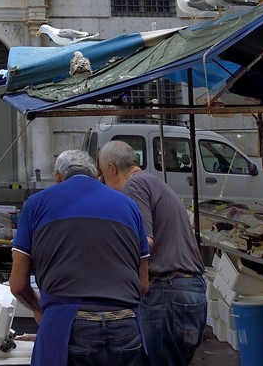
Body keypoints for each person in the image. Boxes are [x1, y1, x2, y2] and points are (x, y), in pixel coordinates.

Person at [10, 149, 149, 366]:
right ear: (97, 175)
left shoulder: (36, 204)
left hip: (66, 324)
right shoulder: (129, 206)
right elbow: (143, 284)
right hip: (125, 324)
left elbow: (18, 284)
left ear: (58, 177)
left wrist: (38, 309)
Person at [99, 141, 205, 366]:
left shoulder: (134, 186)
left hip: (167, 293)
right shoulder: (154, 181)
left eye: (102, 175)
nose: (103, 182)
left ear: (112, 168)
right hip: (189, 292)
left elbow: (145, 242)